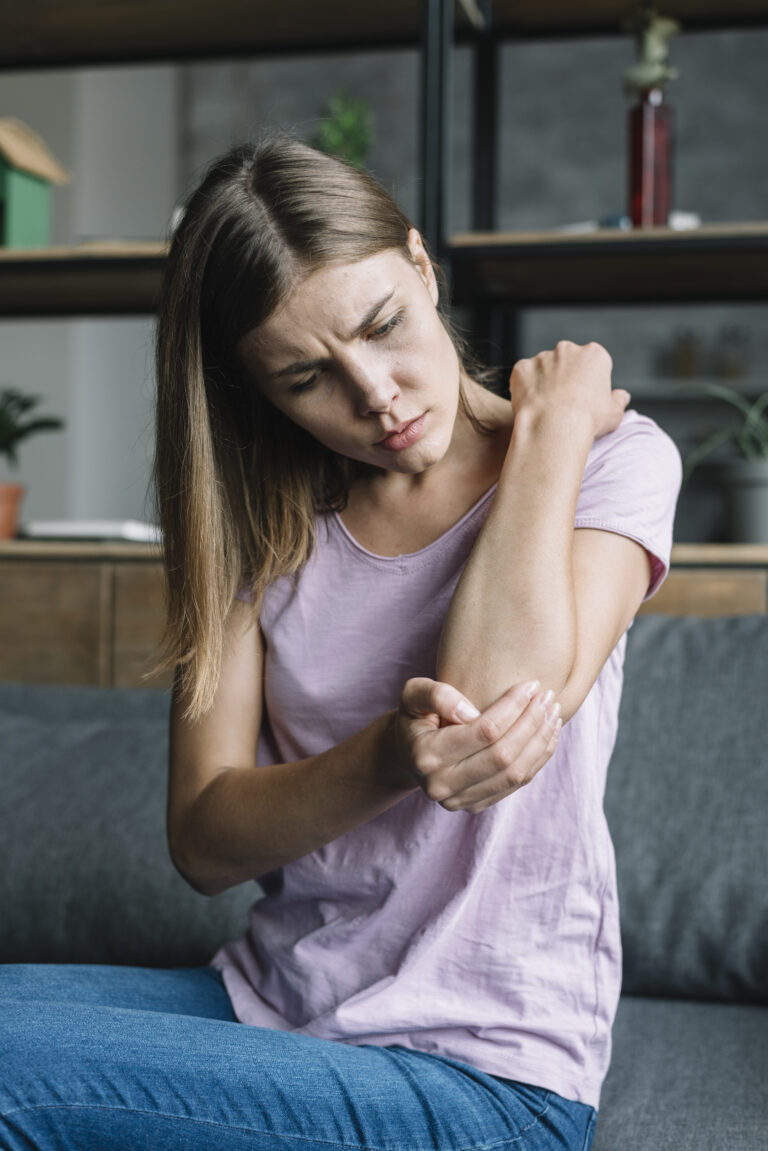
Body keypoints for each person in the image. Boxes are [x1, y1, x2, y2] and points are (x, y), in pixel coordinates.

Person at [0, 136, 682, 1151]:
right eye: (307, 375)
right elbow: (203, 839)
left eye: (383, 325)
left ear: (421, 265)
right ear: (258, 392)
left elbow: (495, 715)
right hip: (274, 1005)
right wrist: (387, 752)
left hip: (481, 1072)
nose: (376, 393)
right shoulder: (260, 523)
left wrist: (548, 435)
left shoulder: (611, 458)